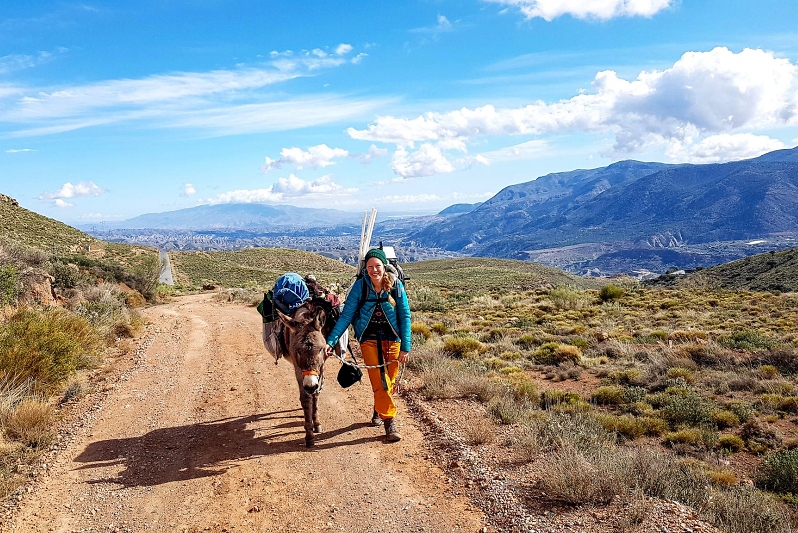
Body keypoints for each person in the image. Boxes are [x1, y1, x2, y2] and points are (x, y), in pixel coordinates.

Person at [325, 248, 411, 442]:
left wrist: (406, 346)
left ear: (384, 267)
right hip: (369, 340)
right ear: (366, 268)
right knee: (380, 380)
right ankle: (390, 422)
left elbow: (405, 315)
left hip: (393, 339)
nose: (374, 270)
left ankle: (378, 407)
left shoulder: (395, 285)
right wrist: (331, 341)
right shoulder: (359, 287)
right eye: (370, 266)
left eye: (378, 266)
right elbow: (346, 316)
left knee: (388, 380)